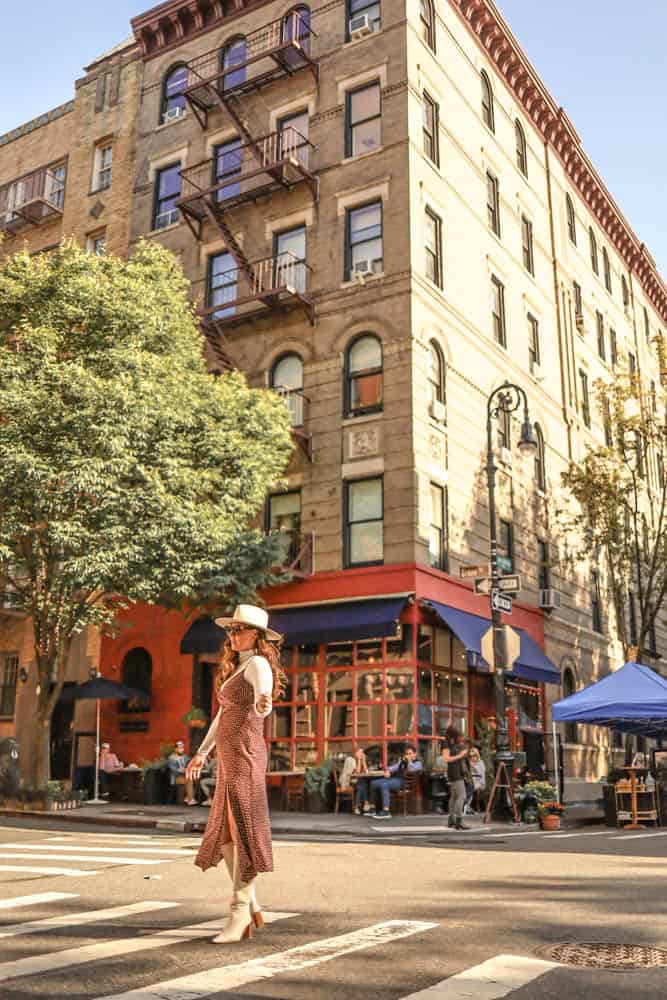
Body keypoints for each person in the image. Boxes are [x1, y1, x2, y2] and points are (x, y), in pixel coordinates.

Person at [186, 604, 285, 944]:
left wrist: (263, 703)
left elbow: (264, 694)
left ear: (256, 635)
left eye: (239, 630)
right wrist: (202, 752)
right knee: (227, 835)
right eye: (230, 630)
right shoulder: (236, 667)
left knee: (242, 830)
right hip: (229, 759)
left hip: (245, 755)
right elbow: (221, 716)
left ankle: (240, 910)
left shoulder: (257, 663)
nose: (233, 635)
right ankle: (253, 904)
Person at [366, 746, 423, 819]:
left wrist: (409, 761)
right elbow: (394, 767)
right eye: (407, 753)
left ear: (415, 754)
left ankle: (386, 812)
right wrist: (388, 771)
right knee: (374, 783)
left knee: (384, 785)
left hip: (403, 782)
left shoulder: (418, 763)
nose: (408, 755)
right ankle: (377, 809)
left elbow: (412, 769)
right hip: (394, 779)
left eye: (410, 753)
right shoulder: (402, 761)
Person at [441, 726, 469, 830]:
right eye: (457, 735)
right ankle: (459, 820)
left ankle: (451, 819)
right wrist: (460, 755)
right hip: (454, 771)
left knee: (454, 796)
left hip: (455, 771)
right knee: (462, 796)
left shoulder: (452, 743)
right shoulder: (446, 743)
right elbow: (446, 758)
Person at [168, 740, 197, 805]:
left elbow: (190, 762)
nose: (181, 749)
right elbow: (172, 769)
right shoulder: (172, 758)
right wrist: (180, 770)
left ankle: (189, 797)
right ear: (175, 749)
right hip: (176, 776)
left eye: (182, 748)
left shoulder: (185, 757)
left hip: (185, 775)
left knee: (194, 779)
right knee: (189, 781)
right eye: (179, 748)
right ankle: (190, 798)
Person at [465, 747, 486, 814]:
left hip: (480, 782)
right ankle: (466, 806)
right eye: (471, 756)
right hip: (471, 781)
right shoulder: (470, 763)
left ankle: (466, 805)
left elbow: (480, 773)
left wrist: (473, 767)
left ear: (477, 755)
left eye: (474, 756)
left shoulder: (480, 763)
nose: (472, 758)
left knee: (471, 787)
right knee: (467, 786)